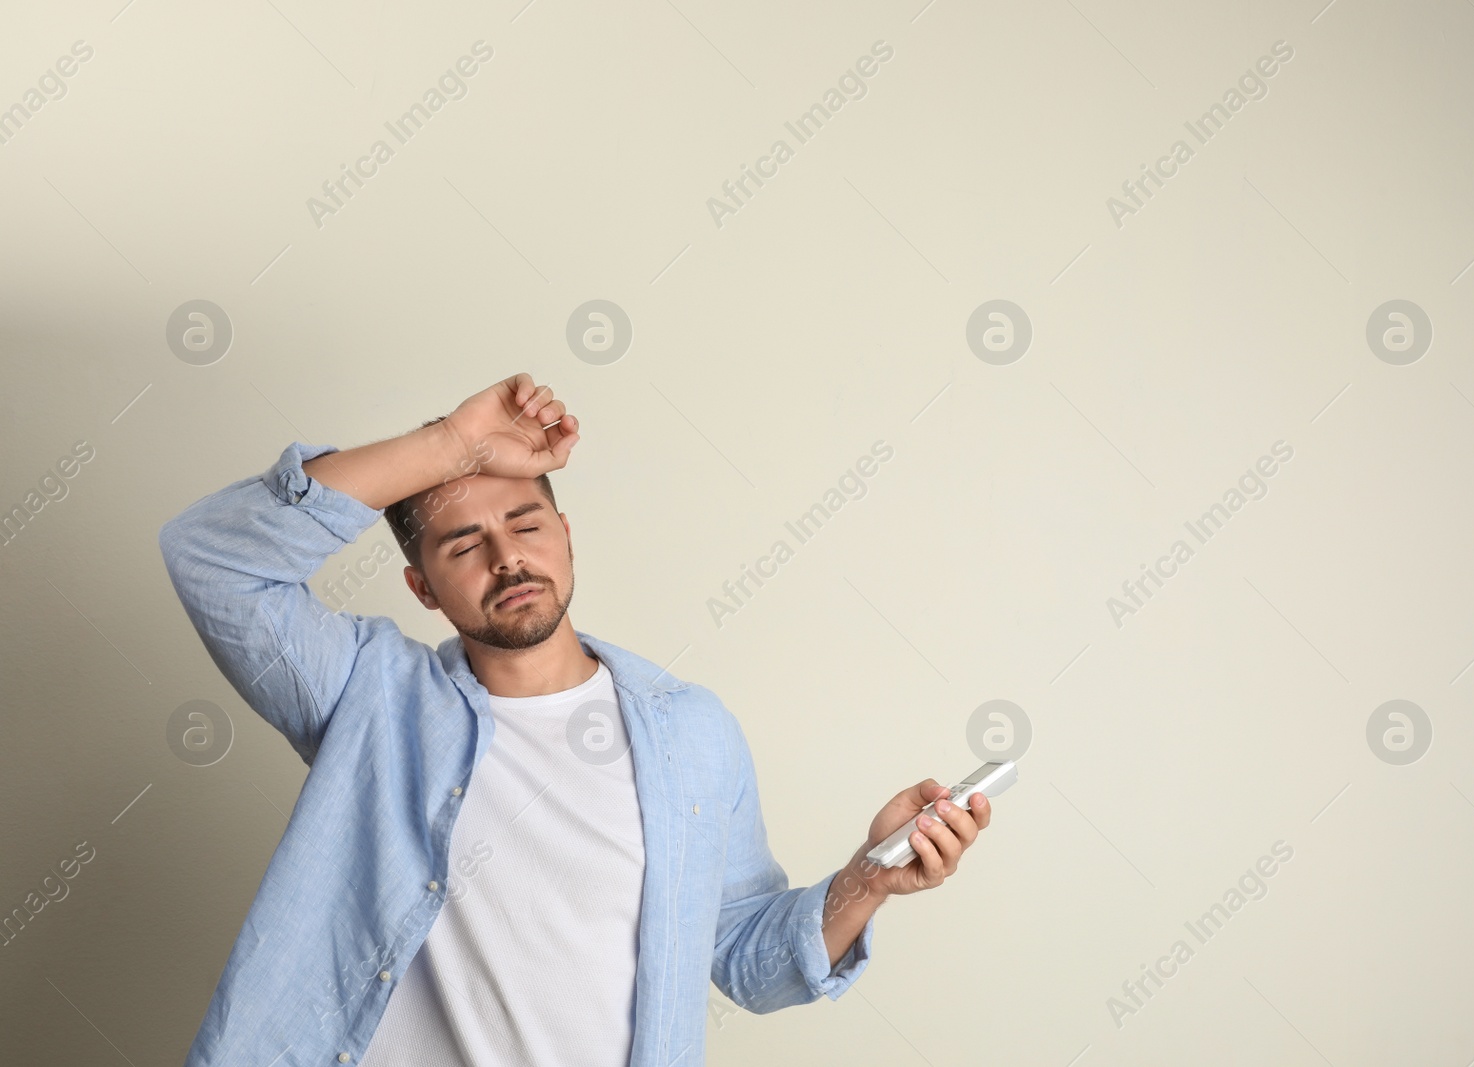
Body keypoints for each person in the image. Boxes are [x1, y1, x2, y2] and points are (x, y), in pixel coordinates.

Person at [158, 372, 995, 1067]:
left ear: (565, 534)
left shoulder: (692, 732)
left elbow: (741, 953)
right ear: (422, 587)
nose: (506, 557)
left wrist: (869, 878)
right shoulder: (368, 696)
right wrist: (453, 444)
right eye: (462, 544)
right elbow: (214, 559)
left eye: (525, 524)